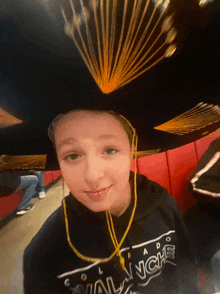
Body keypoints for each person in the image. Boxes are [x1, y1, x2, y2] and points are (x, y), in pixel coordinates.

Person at [23, 109, 200, 294]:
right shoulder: (44, 252)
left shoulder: (163, 205)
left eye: (109, 150)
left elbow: (188, 271)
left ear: (132, 150)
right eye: (72, 156)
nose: (93, 176)